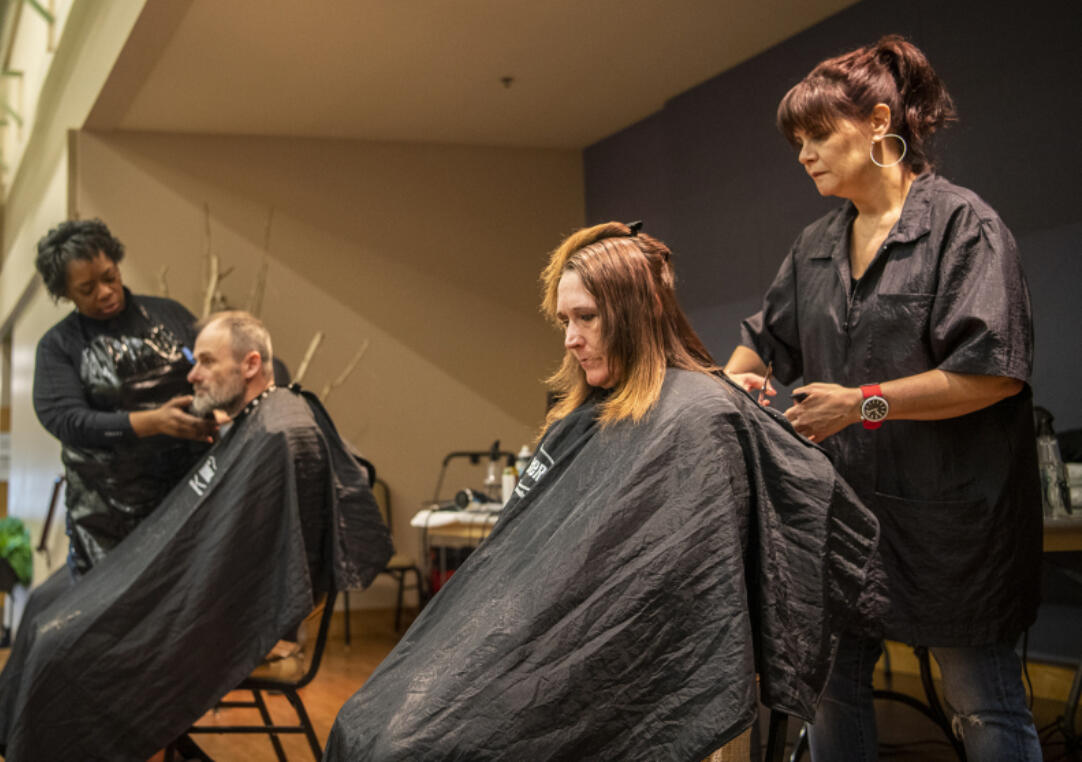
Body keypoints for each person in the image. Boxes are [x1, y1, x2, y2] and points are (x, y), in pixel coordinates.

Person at [324, 223, 885, 761]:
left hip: (582, 662)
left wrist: (724, 394)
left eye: (587, 317)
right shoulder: (590, 416)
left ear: (638, 314)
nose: (570, 340)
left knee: (407, 746)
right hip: (529, 648)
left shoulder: (699, 416)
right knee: (367, 726)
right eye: (564, 320)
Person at [723, 35, 1042, 761]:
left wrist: (861, 403)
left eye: (818, 134)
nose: (803, 153)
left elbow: (993, 373)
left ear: (876, 121)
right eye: (796, 140)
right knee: (832, 695)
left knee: (983, 705)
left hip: (954, 525)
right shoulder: (814, 246)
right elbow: (760, 338)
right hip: (843, 517)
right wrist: (738, 375)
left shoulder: (966, 227)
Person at [0, 311, 392, 761]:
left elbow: (241, 569)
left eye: (205, 361)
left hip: (218, 617)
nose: (192, 373)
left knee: (60, 649)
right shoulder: (256, 422)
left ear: (251, 365)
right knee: (47, 609)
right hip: (195, 595)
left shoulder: (279, 433)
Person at [32, 218, 217, 576]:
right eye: (87, 289)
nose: (104, 292)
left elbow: (217, 369)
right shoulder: (59, 346)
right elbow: (67, 421)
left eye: (109, 276)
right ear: (66, 293)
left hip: (191, 492)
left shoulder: (172, 316)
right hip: (107, 517)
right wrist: (151, 423)